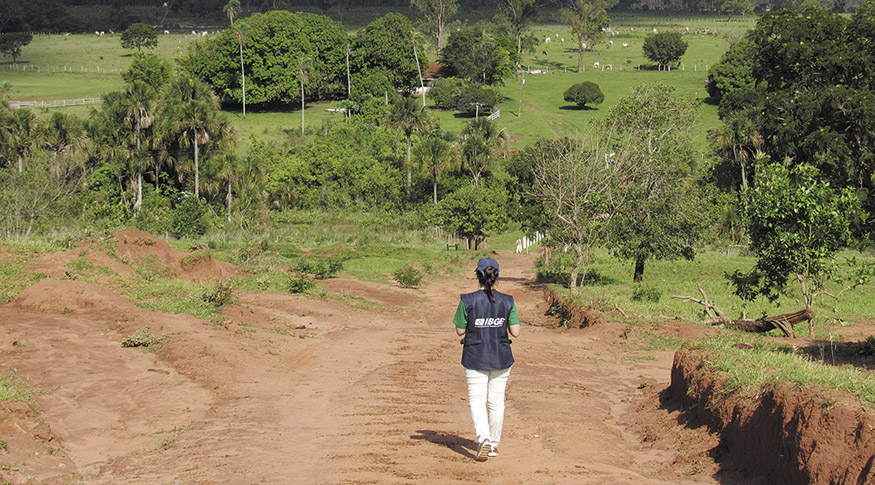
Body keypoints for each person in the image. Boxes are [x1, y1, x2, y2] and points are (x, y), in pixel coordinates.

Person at [453, 257, 521, 462]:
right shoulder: (508, 301)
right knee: (496, 401)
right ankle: (493, 444)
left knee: (476, 399)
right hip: (501, 357)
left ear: (477, 275)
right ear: (496, 276)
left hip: (475, 357)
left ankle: (483, 438)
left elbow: (459, 331)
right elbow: (515, 332)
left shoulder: (467, 300)